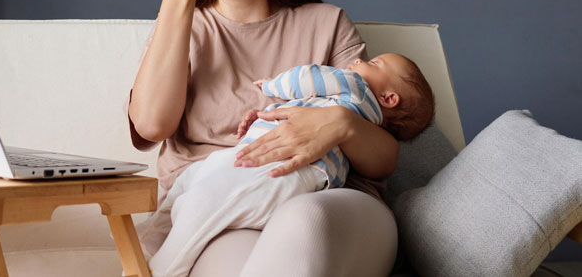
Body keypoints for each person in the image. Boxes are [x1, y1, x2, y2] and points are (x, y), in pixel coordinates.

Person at [128, 0, 401, 276]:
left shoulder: (326, 23)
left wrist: (341, 124)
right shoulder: (184, 27)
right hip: (222, 207)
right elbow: (150, 125)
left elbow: (385, 160)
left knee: (301, 221)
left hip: (329, 199)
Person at [138, 54, 435, 276]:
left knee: (206, 201)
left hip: (283, 168)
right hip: (293, 175)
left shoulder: (354, 87)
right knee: (194, 181)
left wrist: (273, 84)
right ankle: (146, 243)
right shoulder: (363, 111)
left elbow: (310, 76)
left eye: (375, 62)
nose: (358, 60)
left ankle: (162, 266)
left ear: (389, 98)